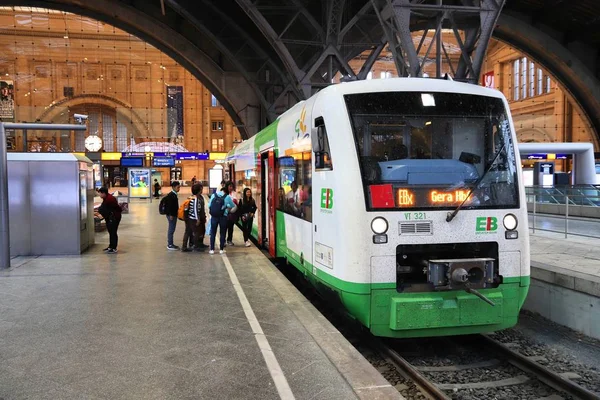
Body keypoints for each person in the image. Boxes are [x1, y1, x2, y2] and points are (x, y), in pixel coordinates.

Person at [208, 180, 235, 255]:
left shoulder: (214, 195)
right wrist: (227, 207)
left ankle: (212, 249)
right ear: (226, 191)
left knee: (213, 233)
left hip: (214, 217)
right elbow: (233, 206)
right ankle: (221, 249)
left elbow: (209, 206)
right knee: (222, 233)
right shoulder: (227, 197)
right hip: (223, 217)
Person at [182, 183, 206, 252]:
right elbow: (195, 209)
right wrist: (197, 219)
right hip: (193, 219)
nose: (202, 191)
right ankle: (196, 246)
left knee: (187, 232)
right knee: (197, 232)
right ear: (198, 190)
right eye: (201, 189)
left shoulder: (191, 197)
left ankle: (184, 247)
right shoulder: (196, 199)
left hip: (189, 218)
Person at [97, 187, 122, 254]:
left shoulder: (109, 199)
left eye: (100, 194)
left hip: (114, 217)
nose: (99, 195)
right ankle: (111, 246)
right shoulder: (106, 198)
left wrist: (101, 210)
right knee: (111, 232)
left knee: (113, 232)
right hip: (111, 217)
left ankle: (114, 248)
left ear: (103, 193)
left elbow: (103, 209)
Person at [164, 181, 181, 250]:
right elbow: (170, 206)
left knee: (172, 229)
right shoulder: (172, 195)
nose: (179, 189)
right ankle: (170, 244)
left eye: (179, 187)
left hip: (173, 214)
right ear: (173, 187)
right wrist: (171, 214)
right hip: (172, 215)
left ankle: (171, 243)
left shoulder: (173, 194)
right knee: (171, 229)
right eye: (178, 187)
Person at [226, 182, 239, 246]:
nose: (231, 188)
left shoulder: (235, 193)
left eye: (232, 186)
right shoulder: (224, 193)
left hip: (232, 213)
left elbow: (237, 202)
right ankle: (222, 240)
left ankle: (229, 240)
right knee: (224, 227)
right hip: (225, 213)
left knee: (231, 227)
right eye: (229, 186)